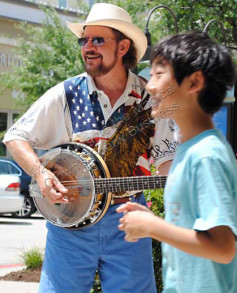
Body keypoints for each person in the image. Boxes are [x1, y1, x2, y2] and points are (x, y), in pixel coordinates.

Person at [3, 3, 177, 293]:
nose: (88, 46)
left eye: (98, 39)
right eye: (84, 40)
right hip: (70, 225)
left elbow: (168, 163)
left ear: (123, 47)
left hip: (128, 220)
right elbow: (15, 136)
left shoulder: (151, 100)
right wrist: (41, 175)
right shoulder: (66, 93)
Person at [117, 31, 237, 293]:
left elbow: (223, 248)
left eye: (159, 74)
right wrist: (157, 223)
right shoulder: (189, 150)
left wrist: (154, 227)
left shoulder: (206, 156)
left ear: (193, 83)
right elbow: (198, 233)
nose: (150, 85)